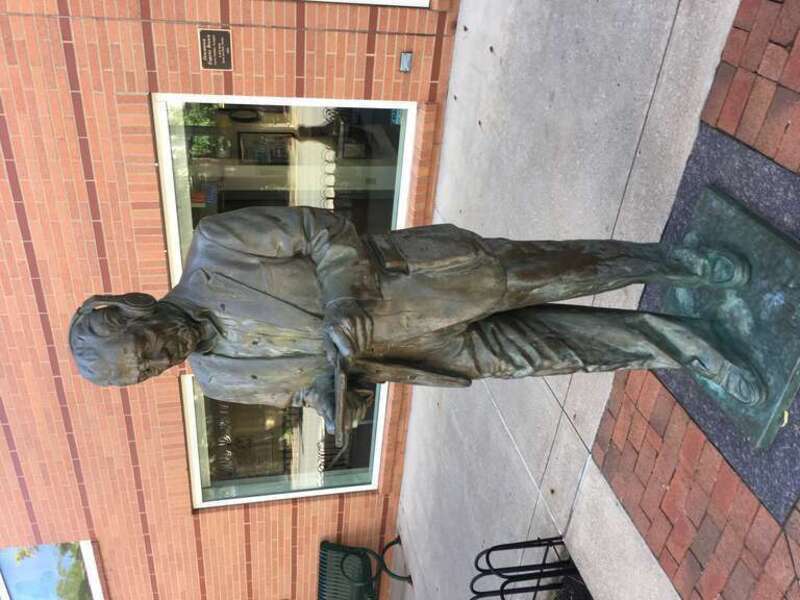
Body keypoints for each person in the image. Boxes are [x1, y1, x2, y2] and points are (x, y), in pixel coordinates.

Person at [68, 206, 764, 433]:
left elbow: (323, 231)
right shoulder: (219, 379)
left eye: (150, 345)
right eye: (152, 370)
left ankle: (681, 263)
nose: (166, 358)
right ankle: (688, 348)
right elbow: (308, 388)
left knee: (576, 266)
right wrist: (333, 404)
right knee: (571, 350)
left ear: (130, 307)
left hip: (426, 281)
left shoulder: (218, 244)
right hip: (429, 355)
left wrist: (344, 303)